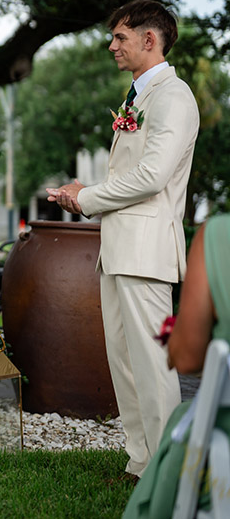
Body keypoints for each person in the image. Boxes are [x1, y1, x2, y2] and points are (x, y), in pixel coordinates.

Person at [47, 0, 200, 478]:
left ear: (149, 40)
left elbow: (153, 176)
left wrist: (86, 196)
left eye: (120, 37)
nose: (112, 46)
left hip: (147, 251)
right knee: (126, 363)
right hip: (119, 251)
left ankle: (172, 470)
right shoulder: (138, 98)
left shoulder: (173, 97)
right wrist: (81, 195)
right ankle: (142, 461)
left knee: (154, 366)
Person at [123, 217, 230, 517]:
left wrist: (178, 339)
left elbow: (186, 359)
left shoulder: (218, 236)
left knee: (183, 423)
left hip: (226, 447)